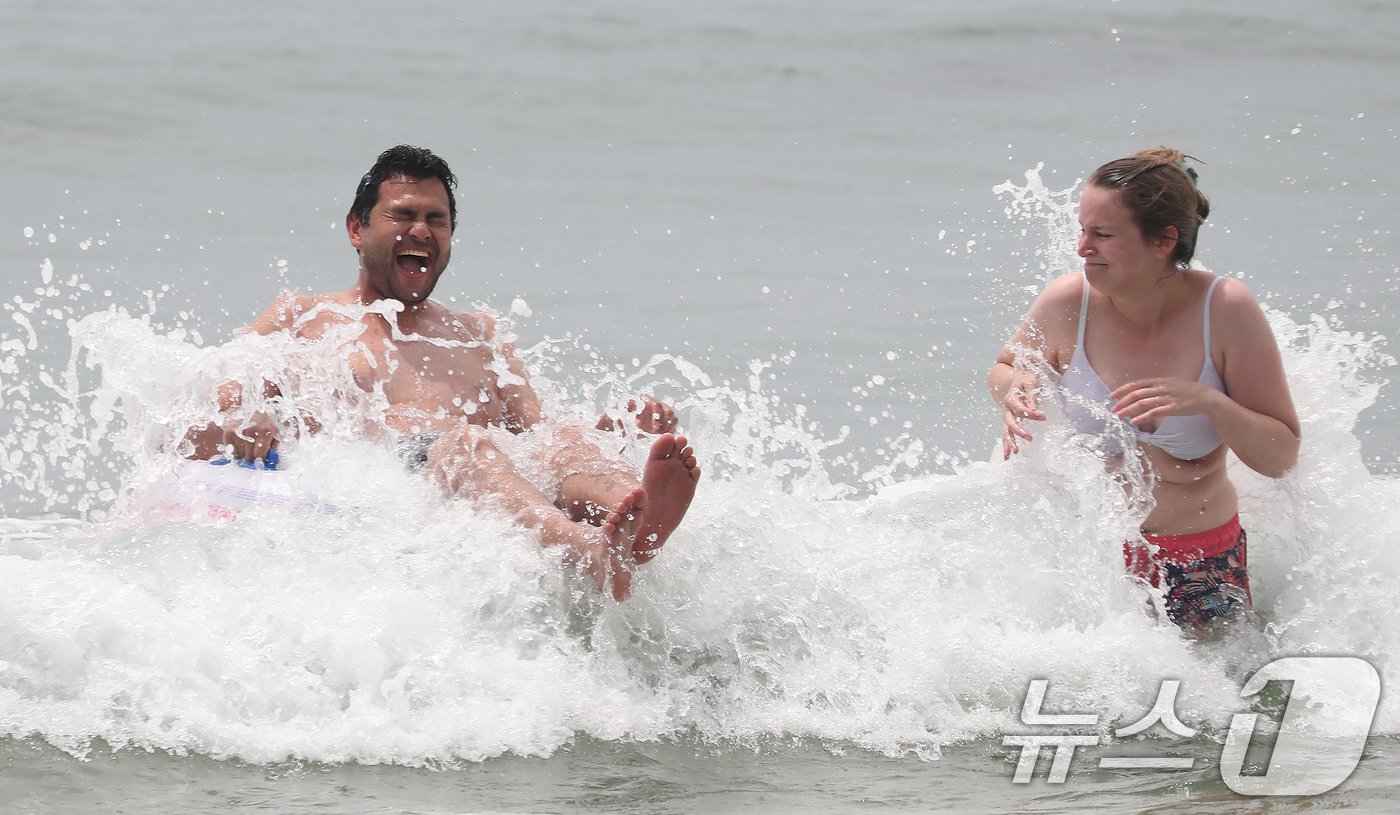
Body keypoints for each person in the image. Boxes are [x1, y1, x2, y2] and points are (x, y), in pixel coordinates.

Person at [184, 145, 700, 602]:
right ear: (357, 229)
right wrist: (242, 411)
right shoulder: (302, 316)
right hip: (385, 479)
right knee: (463, 444)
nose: (421, 231)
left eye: (437, 219)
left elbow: (537, 437)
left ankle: (639, 515)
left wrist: (612, 429)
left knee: (561, 436)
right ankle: (586, 547)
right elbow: (215, 397)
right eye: (403, 215)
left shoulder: (481, 333)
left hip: (487, 471)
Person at [988, 147, 1300, 628]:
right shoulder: (1068, 300)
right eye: (1083, 230)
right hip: (1088, 559)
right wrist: (1015, 385)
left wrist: (1210, 402)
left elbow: (1280, 457)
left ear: (1164, 241)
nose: (1082, 248)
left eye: (1103, 235)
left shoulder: (1225, 310)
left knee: (1208, 699)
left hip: (1199, 563)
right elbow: (1006, 367)